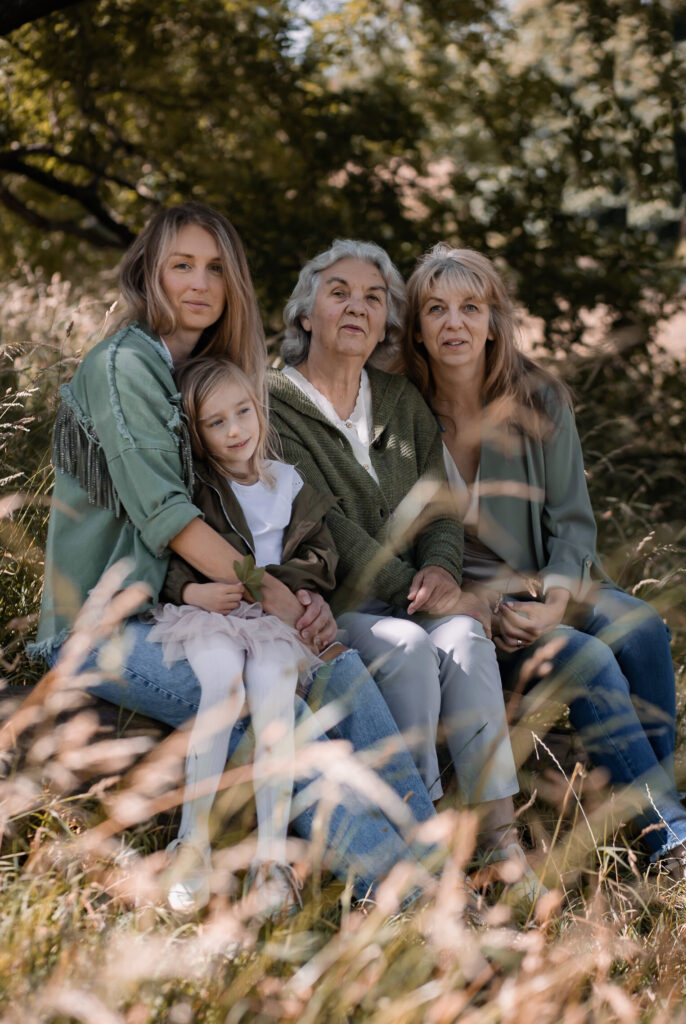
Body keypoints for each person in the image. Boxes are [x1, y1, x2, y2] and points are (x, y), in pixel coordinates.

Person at [28, 202, 443, 908]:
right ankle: (407, 898)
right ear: (147, 273)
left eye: (215, 268)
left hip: (205, 613)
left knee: (340, 671)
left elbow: (257, 519)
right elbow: (171, 520)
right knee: (278, 715)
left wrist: (299, 596)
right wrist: (276, 601)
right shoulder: (126, 362)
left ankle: (439, 865)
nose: (199, 282)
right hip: (105, 627)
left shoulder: (205, 375)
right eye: (180, 265)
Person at [398, 241, 686, 907]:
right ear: (416, 325)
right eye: (436, 308)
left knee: (643, 625)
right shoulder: (400, 411)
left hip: (540, 585)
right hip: (462, 606)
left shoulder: (540, 401)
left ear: (494, 319)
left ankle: (653, 828)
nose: (454, 323)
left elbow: (573, 525)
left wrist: (554, 600)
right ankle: (681, 847)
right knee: (590, 658)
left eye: (470, 307)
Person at [268, 239, 541, 897]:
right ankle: (422, 841)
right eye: (339, 292)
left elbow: (440, 509)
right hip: (338, 604)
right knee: (410, 647)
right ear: (307, 313)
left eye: (373, 297)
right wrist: (418, 590)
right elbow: (323, 521)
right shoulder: (275, 403)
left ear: (387, 322)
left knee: (466, 639)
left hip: (423, 596)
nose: (357, 307)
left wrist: (445, 574)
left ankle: (502, 844)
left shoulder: (397, 400)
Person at [147, 355, 338, 915]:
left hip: (273, 624)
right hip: (212, 614)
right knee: (223, 690)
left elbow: (322, 556)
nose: (235, 432)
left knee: (274, 701)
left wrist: (291, 590)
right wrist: (188, 593)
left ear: (260, 410)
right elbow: (169, 552)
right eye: (216, 423)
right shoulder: (198, 487)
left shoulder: (288, 482)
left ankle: (272, 861)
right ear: (196, 434)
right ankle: (193, 843)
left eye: (243, 413)